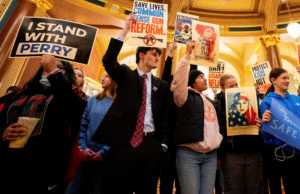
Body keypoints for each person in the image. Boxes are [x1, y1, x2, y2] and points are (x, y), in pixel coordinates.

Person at [92, 12, 172, 194]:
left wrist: (163, 144)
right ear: (141, 55)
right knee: (116, 188)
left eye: (158, 55)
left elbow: (166, 115)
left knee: (147, 190)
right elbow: (108, 61)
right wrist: (125, 29)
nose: (157, 58)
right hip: (124, 143)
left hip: (151, 145)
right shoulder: (127, 75)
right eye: (154, 54)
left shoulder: (162, 85)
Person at [0, 54, 87, 193]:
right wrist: (3, 132)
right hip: (10, 165)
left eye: (59, 67)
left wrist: (54, 72)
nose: (48, 68)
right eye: (45, 66)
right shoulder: (20, 94)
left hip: (45, 170)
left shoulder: (76, 96)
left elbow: (74, 102)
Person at [173, 40, 222, 194]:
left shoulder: (208, 101)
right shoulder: (184, 97)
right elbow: (179, 78)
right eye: (201, 77)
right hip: (189, 154)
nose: (205, 79)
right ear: (192, 82)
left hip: (211, 155)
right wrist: (187, 54)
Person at [66, 72, 117, 194]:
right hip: (86, 155)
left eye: (107, 76)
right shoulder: (93, 100)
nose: (102, 78)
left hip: (105, 159)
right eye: (103, 76)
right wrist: (83, 147)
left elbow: (117, 132)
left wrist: (104, 152)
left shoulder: (119, 104)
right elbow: (83, 124)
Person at [214, 74, 263, 194]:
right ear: (223, 88)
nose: (235, 87)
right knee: (234, 187)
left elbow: (259, 119)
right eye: (231, 86)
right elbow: (217, 130)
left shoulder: (249, 98)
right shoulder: (217, 104)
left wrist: (260, 122)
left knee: (254, 187)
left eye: (236, 84)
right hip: (231, 153)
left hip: (252, 150)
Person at [159, 42, 181, 194]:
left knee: (181, 184)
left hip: (182, 146)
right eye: (173, 83)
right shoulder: (165, 95)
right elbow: (165, 75)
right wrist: (170, 55)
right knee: (166, 183)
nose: (175, 85)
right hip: (167, 146)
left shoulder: (185, 99)